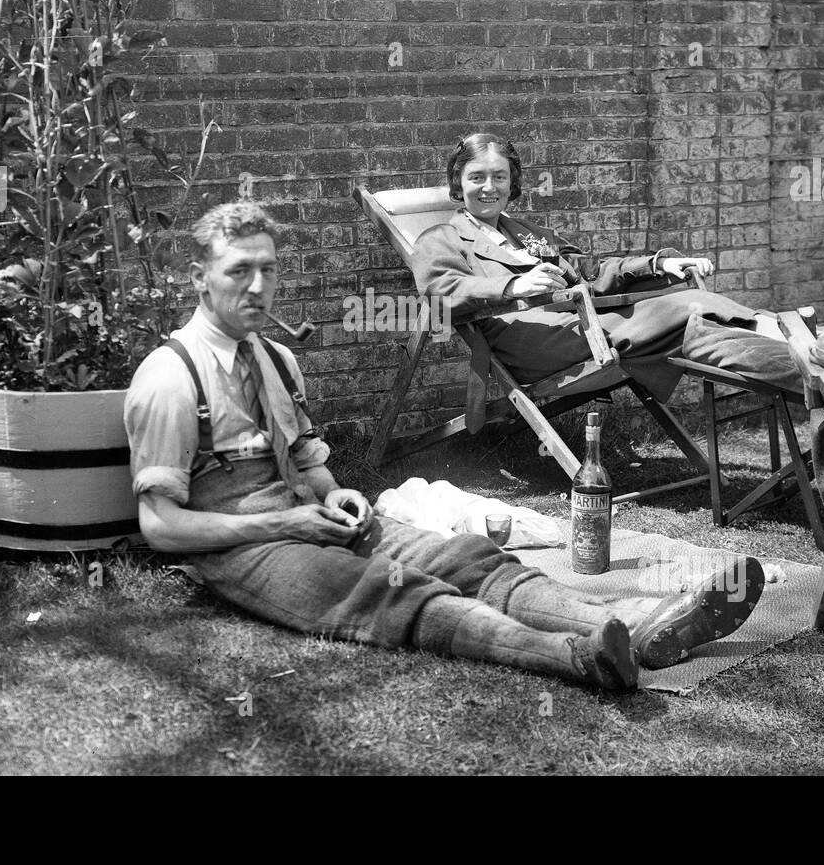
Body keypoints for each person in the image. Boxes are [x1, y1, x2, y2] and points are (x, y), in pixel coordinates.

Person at [123, 202, 765, 693]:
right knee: (388, 591)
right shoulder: (170, 377)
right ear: (199, 279)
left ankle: (645, 616)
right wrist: (283, 520)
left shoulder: (276, 358)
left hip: (312, 519)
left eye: (268, 269)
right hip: (244, 547)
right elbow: (161, 527)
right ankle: (581, 654)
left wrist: (333, 493)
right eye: (240, 271)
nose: (259, 287)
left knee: (465, 558)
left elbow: (313, 466)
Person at [410, 133, 777, 400]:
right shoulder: (440, 237)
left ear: (513, 183)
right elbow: (439, 295)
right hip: (530, 344)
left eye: (499, 177)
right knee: (688, 307)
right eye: (476, 177)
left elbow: (589, 272)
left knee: (693, 324)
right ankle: (790, 344)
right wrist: (512, 287)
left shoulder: (528, 233)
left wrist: (659, 264)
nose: (488, 187)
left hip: (581, 325)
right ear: (458, 182)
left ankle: (797, 365)